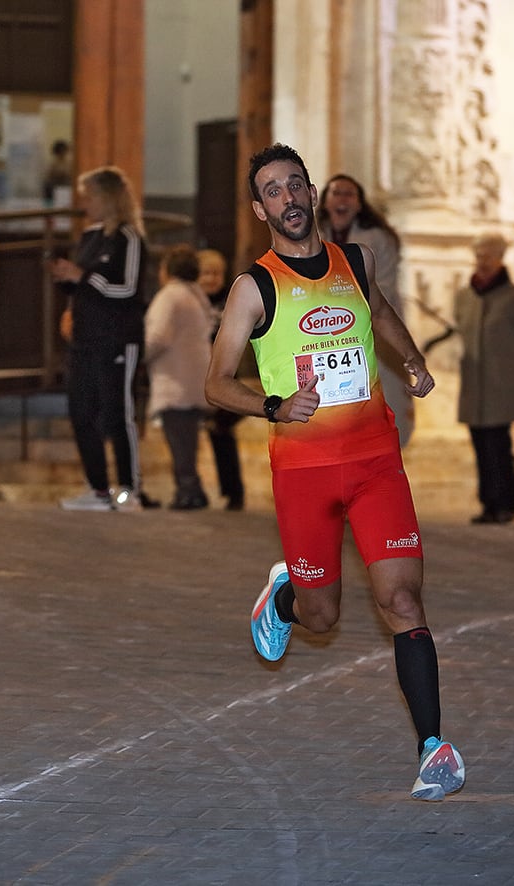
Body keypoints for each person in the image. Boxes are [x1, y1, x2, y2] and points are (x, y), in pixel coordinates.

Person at [205, 143, 465, 802]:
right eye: (272, 190)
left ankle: (433, 747)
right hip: (306, 474)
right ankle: (286, 596)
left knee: (402, 601)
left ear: (312, 192)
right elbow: (215, 382)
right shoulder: (252, 288)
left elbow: (376, 311)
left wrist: (409, 362)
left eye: (296, 185)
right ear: (259, 207)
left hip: (376, 461)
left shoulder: (356, 260)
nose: (288, 198)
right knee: (322, 619)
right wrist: (273, 405)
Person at [51, 166, 146, 512]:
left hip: (117, 338)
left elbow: (128, 288)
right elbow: (83, 285)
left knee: (117, 413)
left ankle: (128, 489)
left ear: (107, 198)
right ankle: (98, 489)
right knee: (80, 412)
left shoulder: (128, 238)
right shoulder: (90, 236)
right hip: (85, 338)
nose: (84, 203)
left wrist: (83, 276)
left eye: (89, 196)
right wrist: (68, 285)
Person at [317, 174, 414, 445]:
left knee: (382, 395)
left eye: (349, 194)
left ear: (359, 204)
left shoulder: (379, 239)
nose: (342, 199)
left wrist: (340, 299)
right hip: (325, 332)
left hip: (373, 327)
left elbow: (380, 285)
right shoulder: (313, 236)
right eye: (336, 193)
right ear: (325, 201)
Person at [453, 231, 514, 524]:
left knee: (499, 445)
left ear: (500, 259)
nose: (482, 262)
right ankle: (488, 504)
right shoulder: (465, 296)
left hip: (501, 386)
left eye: (488, 256)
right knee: (480, 444)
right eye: (479, 256)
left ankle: (506, 503)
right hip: (474, 385)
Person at [145, 244, 212, 510]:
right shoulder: (197, 297)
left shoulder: (170, 296)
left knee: (179, 441)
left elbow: (158, 336)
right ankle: (192, 487)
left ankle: (188, 490)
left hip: (175, 380)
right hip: (194, 379)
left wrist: (139, 355)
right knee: (188, 440)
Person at [198, 248, 245, 510]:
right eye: (206, 273)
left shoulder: (230, 299)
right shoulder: (192, 301)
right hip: (198, 373)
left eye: (217, 273)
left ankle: (233, 492)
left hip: (226, 370)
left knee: (222, 430)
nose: (212, 279)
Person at [43, 139, 73, 203]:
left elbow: (70, 175)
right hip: (55, 189)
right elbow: (49, 178)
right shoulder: (53, 164)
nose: (63, 153)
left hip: (66, 190)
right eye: (61, 151)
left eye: (64, 151)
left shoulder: (68, 163)